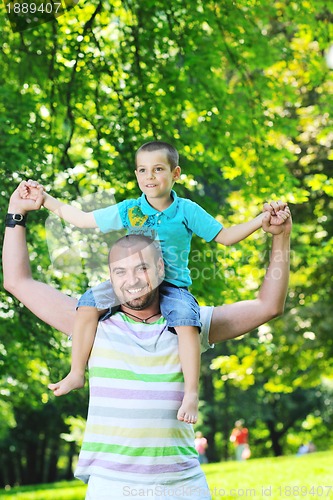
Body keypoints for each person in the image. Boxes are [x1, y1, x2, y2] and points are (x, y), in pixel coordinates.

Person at [3, 184, 291, 499]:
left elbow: (268, 306)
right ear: (110, 278)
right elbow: (18, 281)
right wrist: (16, 214)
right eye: (121, 272)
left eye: (142, 268)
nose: (133, 280)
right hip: (111, 486)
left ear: (160, 268)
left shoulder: (189, 325)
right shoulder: (91, 323)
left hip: (183, 485)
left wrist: (281, 238)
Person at [19, 141, 289, 425]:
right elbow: (83, 220)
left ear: (175, 174)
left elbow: (226, 236)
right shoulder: (130, 210)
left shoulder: (186, 210)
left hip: (171, 287)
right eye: (143, 170)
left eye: (158, 169)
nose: (150, 177)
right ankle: (76, 372)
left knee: (187, 320)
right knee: (87, 303)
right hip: (133, 283)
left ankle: (191, 393)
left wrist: (262, 221)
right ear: (136, 175)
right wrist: (45, 198)